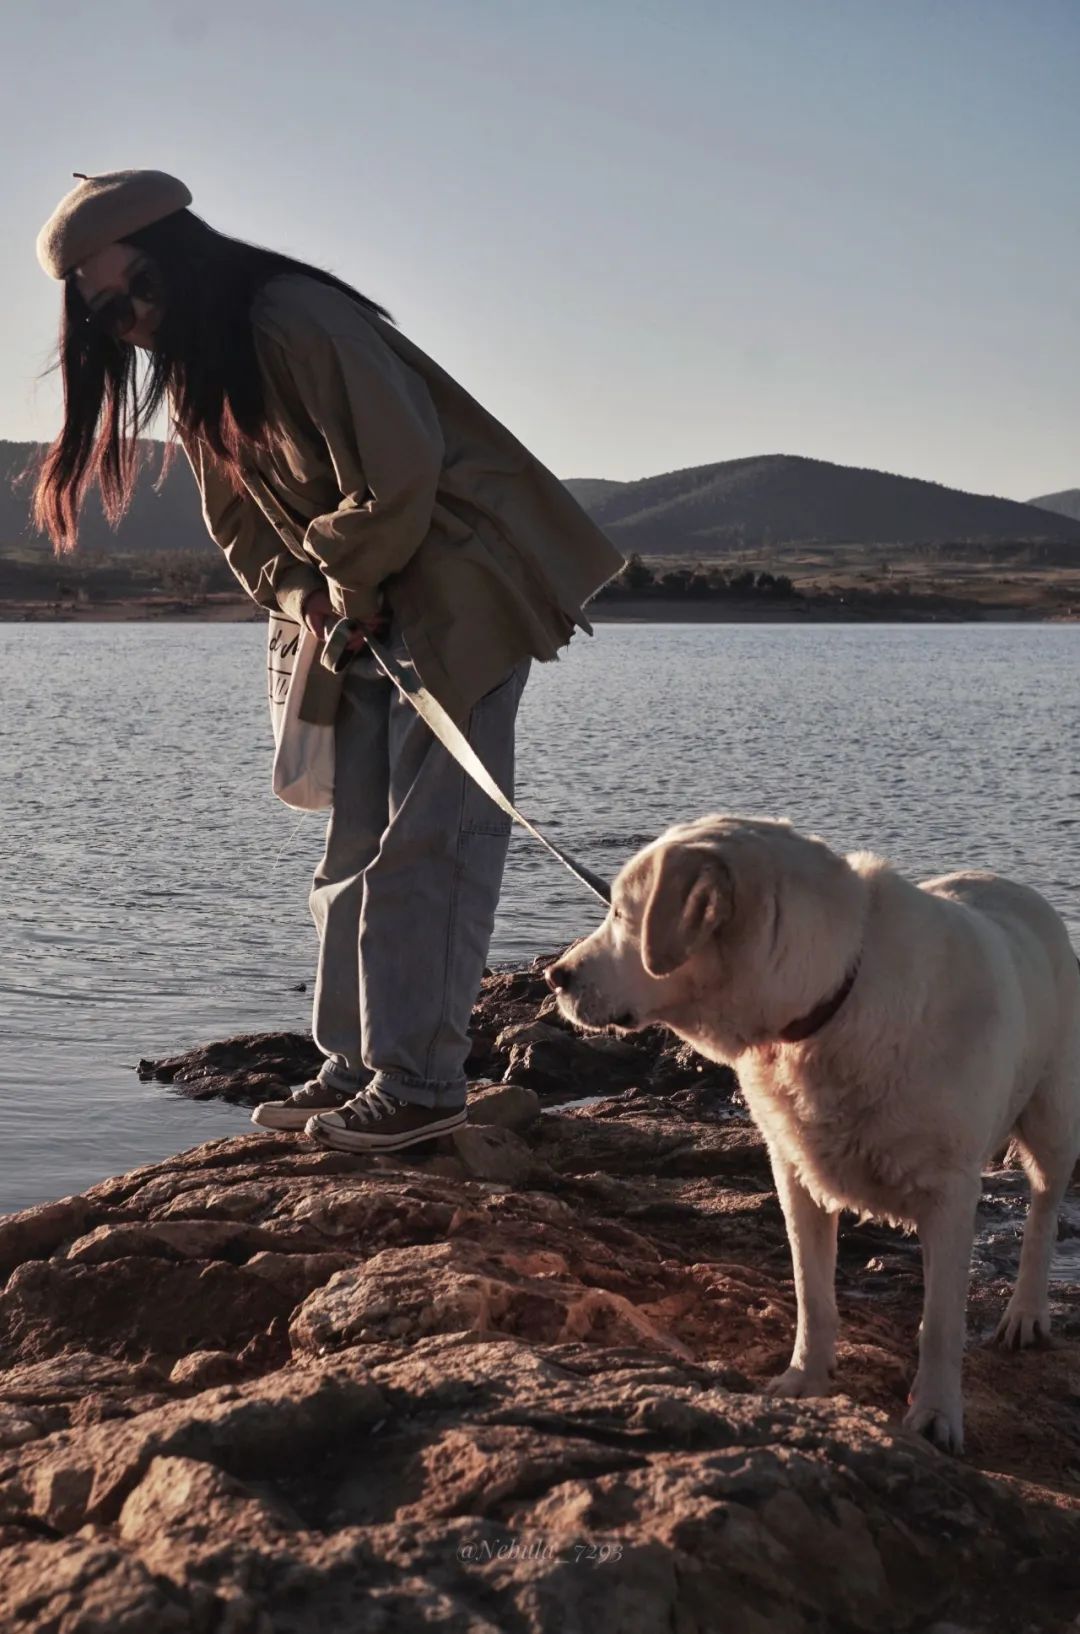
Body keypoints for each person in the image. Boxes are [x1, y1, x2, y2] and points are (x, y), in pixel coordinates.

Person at [34, 168, 623, 1154]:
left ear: (181, 254)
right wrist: (308, 597)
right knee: (352, 856)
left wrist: (342, 587)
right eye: (103, 309)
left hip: (454, 607)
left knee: (430, 847)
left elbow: (402, 467)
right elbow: (242, 530)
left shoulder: (294, 316)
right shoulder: (196, 371)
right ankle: (356, 1066)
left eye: (137, 286)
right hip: (357, 620)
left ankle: (423, 1082)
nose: (127, 317)